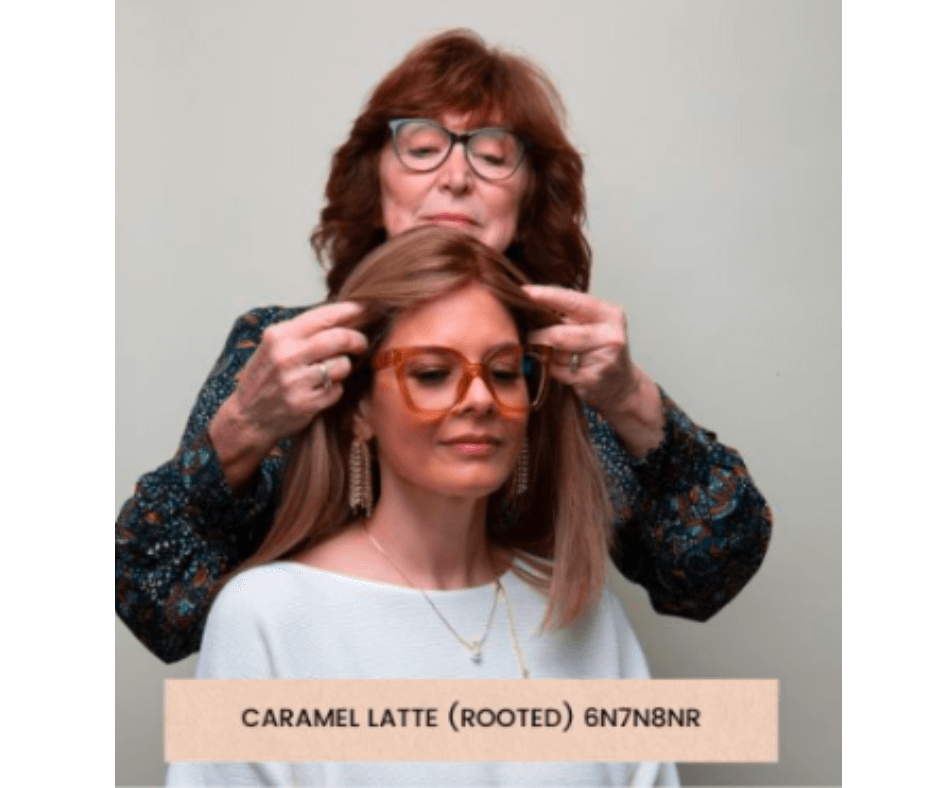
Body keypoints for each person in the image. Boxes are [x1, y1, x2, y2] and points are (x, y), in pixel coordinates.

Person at [116, 29, 771, 665]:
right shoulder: (280, 353)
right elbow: (157, 605)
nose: (457, 177)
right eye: (423, 146)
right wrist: (242, 429)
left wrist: (631, 400)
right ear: (375, 178)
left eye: (491, 155)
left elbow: (704, 578)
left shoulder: (569, 374)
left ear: (528, 194)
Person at [165, 225, 681, 787]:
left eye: (505, 372)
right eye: (433, 374)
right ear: (359, 410)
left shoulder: (586, 613)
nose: (481, 399)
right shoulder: (267, 616)